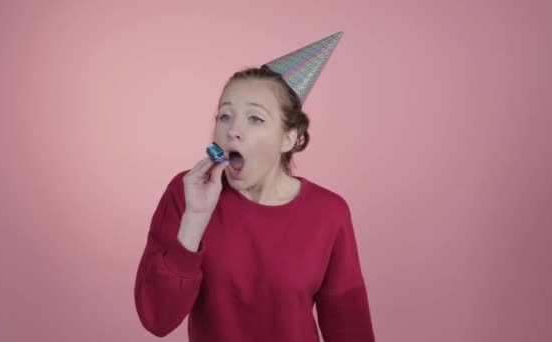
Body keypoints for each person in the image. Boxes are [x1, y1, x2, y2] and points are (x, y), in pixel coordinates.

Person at [134, 32, 375, 342]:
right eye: (225, 115)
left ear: (289, 138)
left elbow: (349, 328)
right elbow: (157, 319)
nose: (233, 130)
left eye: (255, 119)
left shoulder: (329, 213)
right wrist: (195, 218)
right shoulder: (185, 194)